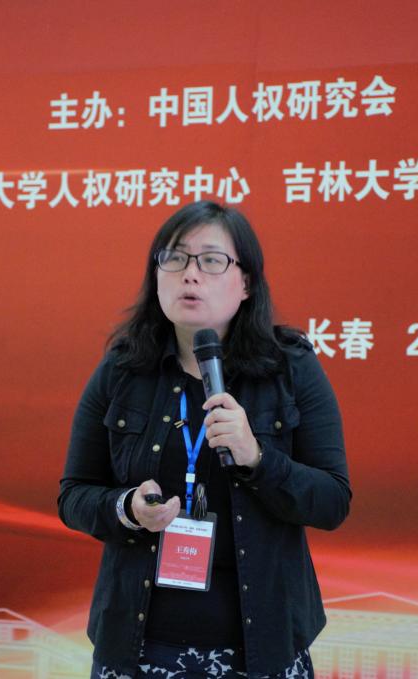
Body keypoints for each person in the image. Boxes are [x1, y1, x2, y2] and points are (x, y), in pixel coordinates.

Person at [59, 201, 351, 678]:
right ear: (156, 276)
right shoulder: (123, 369)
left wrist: (258, 458)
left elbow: (332, 501)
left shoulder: (290, 368)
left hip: (261, 653)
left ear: (246, 283)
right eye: (175, 258)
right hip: (136, 651)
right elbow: (74, 494)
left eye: (211, 260)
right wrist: (127, 509)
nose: (190, 274)